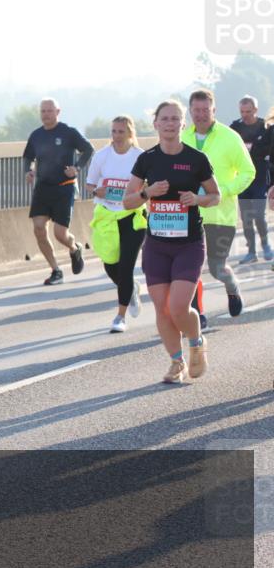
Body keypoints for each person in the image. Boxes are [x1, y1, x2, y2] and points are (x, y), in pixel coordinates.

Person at [123, 100, 220, 384]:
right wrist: (147, 193)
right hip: (156, 245)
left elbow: (216, 196)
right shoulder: (147, 159)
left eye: (175, 119)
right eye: (164, 119)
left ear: (183, 123)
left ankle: (196, 340)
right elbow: (127, 201)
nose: (169, 123)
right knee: (162, 308)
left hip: (188, 244)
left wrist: (197, 199)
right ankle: (176, 363)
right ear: (155, 124)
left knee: (178, 306)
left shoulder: (196, 159)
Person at [179, 89, 254, 318]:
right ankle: (197, 314)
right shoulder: (183, 138)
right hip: (188, 215)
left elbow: (248, 172)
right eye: (196, 110)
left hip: (220, 215)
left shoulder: (230, 137)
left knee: (217, 268)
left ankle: (232, 288)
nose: (201, 115)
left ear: (214, 110)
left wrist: (225, 191)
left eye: (205, 110)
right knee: (190, 268)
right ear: (190, 111)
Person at [23, 99, 94, 285]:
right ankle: (55, 270)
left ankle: (74, 247)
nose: (45, 114)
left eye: (49, 111)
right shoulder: (36, 135)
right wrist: (28, 170)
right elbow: (28, 156)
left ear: (57, 111)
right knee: (38, 228)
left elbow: (88, 149)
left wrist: (77, 168)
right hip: (43, 187)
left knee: (60, 234)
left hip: (65, 186)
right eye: (43, 111)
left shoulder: (68, 132)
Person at [85, 115, 146, 333]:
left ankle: (120, 317)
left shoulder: (140, 157)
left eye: (121, 132)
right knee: (111, 265)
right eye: (113, 131)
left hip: (132, 215)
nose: (117, 136)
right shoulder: (101, 156)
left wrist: (140, 193)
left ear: (130, 133)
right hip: (107, 216)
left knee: (127, 265)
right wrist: (96, 190)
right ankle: (131, 290)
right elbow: (89, 183)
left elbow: (148, 184)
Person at [230, 95, 273, 263]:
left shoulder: (266, 127)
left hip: (261, 177)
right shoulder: (235, 127)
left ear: (256, 110)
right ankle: (252, 252)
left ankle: (266, 245)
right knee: (246, 217)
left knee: (259, 215)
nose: (245, 114)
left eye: (248, 111)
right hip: (242, 179)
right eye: (242, 111)